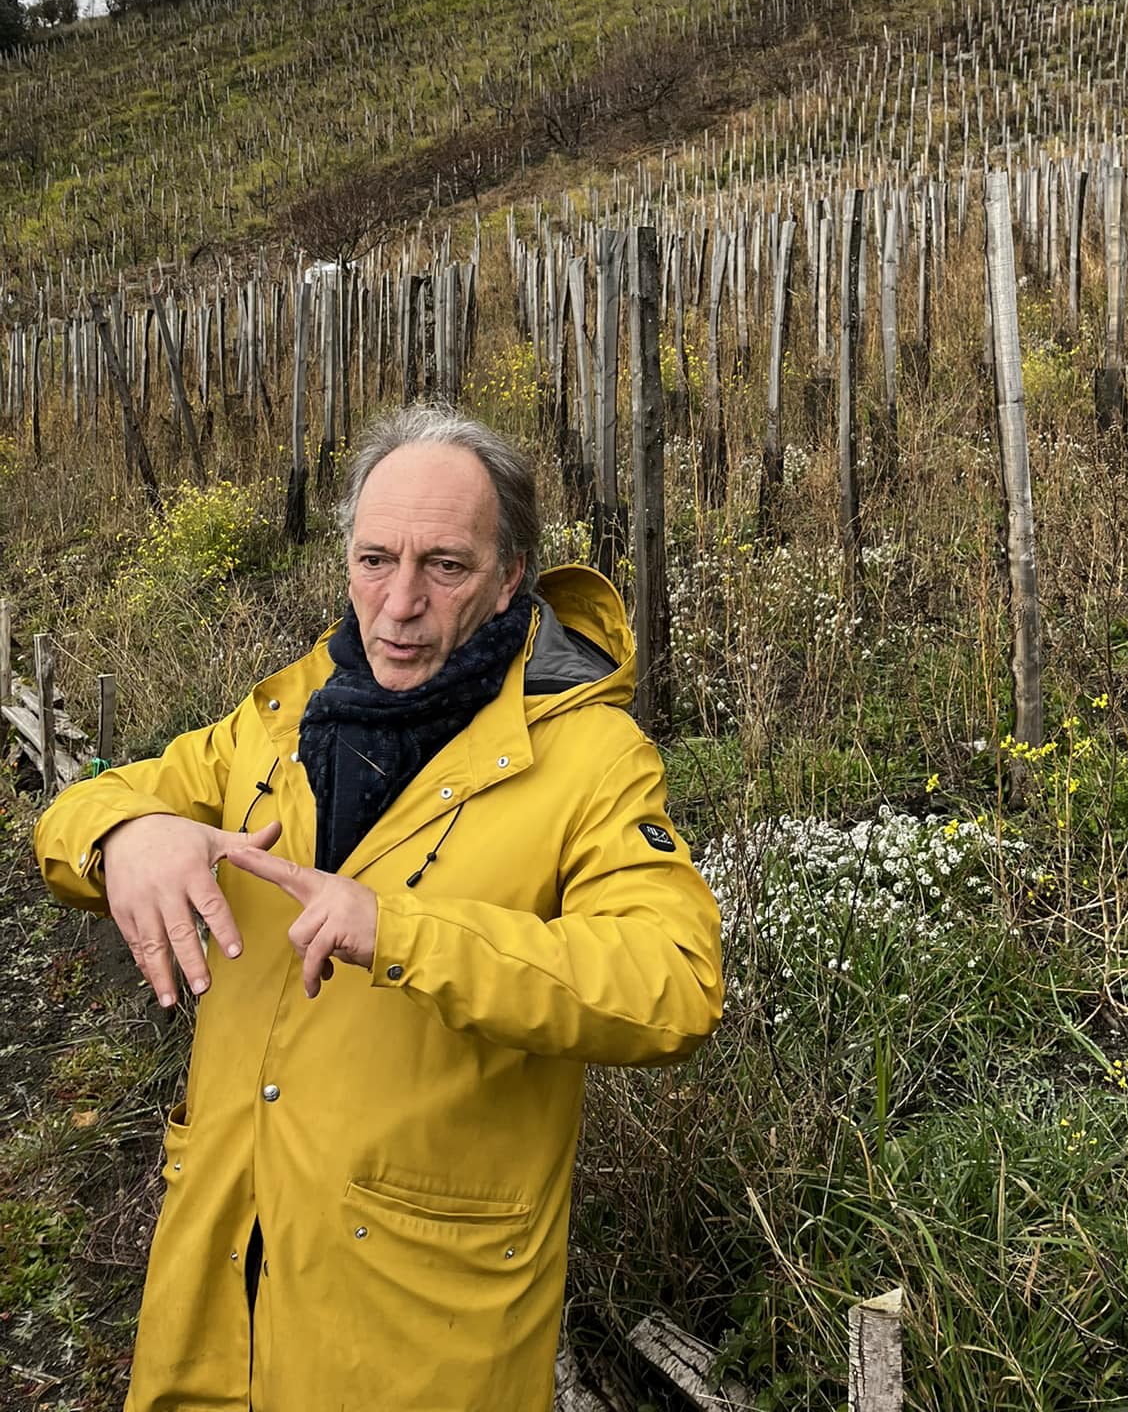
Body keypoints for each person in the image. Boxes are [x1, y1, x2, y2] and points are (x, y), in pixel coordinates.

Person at [34, 404, 723, 1412]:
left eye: (445, 565)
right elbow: (77, 811)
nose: (398, 602)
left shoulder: (591, 757)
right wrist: (122, 835)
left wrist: (401, 930)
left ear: (509, 575)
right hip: (217, 1293)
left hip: (416, 1336)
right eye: (374, 558)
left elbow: (673, 984)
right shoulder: (281, 715)